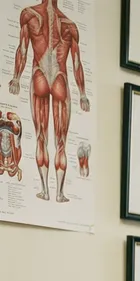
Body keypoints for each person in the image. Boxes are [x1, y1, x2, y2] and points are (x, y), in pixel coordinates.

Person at [8, 0, 90, 203]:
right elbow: (77, 63)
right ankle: (59, 194)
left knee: (41, 137)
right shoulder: (70, 25)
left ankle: (45, 191)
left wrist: (16, 78)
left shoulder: (29, 14)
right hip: (60, 78)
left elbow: (23, 49)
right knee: (61, 142)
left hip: (39, 76)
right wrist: (82, 94)